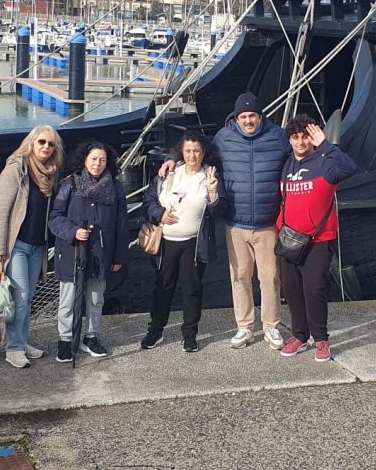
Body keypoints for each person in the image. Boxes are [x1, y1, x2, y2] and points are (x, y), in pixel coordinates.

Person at [159, 91, 289, 349]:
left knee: (270, 278)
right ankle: (245, 326)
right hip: (236, 222)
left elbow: (298, 154)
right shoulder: (224, 138)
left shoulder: (278, 137)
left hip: (267, 222)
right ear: (236, 117)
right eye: (244, 116)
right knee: (239, 277)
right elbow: (197, 150)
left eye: (253, 115)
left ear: (260, 116)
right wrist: (172, 157)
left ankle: (271, 326)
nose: (249, 120)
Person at [0, 125, 65, 369]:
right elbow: (0, 212)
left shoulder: (50, 174)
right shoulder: (16, 169)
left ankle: (21, 341)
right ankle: (14, 348)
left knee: (27, 297)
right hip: (15, 245)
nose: (46, 147)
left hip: (37, 245)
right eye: (42, 142)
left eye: (51, 144)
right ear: (31, 143)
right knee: (22, 297)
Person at [276, 115, 357, 362]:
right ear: (289, 139)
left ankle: (321, 339)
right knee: (291, 290)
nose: (300, 142)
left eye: (305, 137)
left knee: (314, 290)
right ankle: (299, 335)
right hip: (289, 238)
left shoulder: (325, 163)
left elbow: (349, 168)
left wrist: (325, 145)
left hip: (317, 239)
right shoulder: (285, 164)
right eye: (295, 137)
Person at [140, 131, 225, 353]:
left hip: (193, 243)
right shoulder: (169, 172)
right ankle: (155, 330)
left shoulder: (210, 175)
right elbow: (148, 201)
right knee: (162, 287)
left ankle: (189, 334)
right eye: (188, 151)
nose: (192, 156)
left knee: (192, 289)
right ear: (181, 152)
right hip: (166, 241)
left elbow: (219, 211)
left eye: (197, 151)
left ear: (203, 152)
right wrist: (159, 213)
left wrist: (213, 193)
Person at [48, 141, 129, 363]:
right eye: (93, 159)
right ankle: (65, 339)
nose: (97, 163)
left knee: (95, 298)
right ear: (84, 159)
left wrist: (119, 257)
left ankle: (91, 336)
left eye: (102, 160)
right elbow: (54, 216)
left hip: (101, 252)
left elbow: (121, 224)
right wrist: (73, 231)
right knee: (68, 299)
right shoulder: (69, 185)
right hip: (73, 251)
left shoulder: (115, 188)